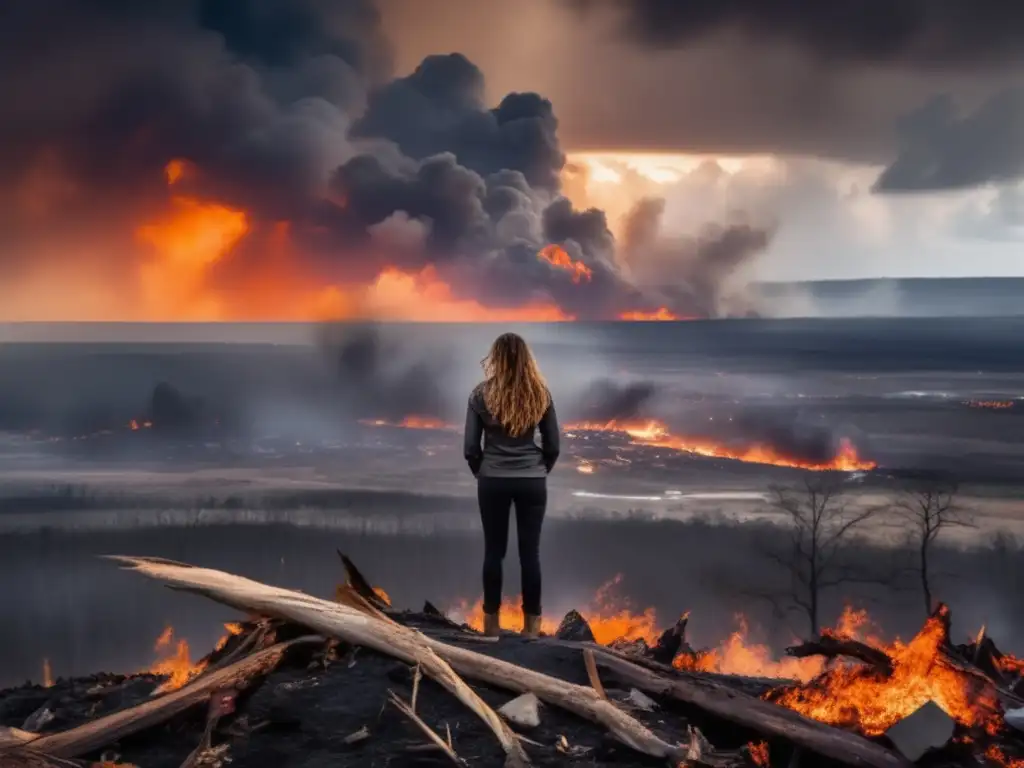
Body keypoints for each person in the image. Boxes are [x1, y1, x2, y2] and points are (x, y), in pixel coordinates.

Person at [463, 332, 560, 638]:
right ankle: (531, 628)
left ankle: (491, 627)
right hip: (532, 481)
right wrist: (540, 468)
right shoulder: (539, 393)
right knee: (529, 554)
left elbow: (470, 448)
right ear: (526, 358)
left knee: (494, 551)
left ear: (496, 358)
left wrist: (483, 471)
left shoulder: (481, 395)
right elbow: (553, 445)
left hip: (492, 480)